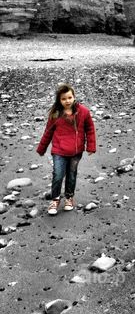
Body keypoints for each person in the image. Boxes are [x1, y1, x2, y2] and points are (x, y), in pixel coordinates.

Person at [36, 83, 96, 215]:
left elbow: (90, 129)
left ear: (74, 97)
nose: (67, 101)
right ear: (59, 100)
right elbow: (48, 132)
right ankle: (55, 199)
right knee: (57, 175)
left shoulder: (83, 112)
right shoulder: (55, 114)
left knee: (72, 175)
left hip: (76, 151)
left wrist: (91, 147)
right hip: (59, 151)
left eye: (69, 97)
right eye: (63, 99)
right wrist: (42, 148)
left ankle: (69, 197)